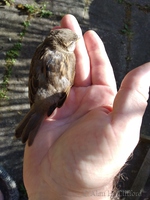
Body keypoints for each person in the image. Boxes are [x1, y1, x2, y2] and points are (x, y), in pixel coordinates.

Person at [23, 14, 150, 200]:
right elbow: (64, 86)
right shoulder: (69, 60)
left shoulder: (41, 50)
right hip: (55, 96)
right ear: (66, 47)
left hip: (39, 96)